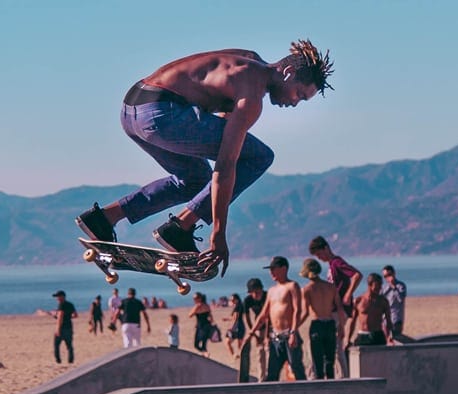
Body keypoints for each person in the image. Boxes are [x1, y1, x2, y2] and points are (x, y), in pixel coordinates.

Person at [75, 40, 334, 276]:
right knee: (259, 157)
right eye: (300, 94)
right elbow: (225, 165)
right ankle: (180, 228)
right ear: (288, 74)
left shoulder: (247, 59)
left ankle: (104, 218)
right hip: (161, 114)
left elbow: (216, 122)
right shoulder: (252, 96)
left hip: (132, 110)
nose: (295, 103)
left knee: (195, 180)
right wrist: (218, 234)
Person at [245, 256, 306, 381]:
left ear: (284, 269)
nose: (271, 272)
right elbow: (263, 315)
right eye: (270, 269)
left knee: (296, 368)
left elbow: (297, 311)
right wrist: (251, 332)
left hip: (289, 335)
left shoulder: (292, 286)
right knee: (272, 372)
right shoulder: (272, 291)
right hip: (275, 338)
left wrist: (293, 332)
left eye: (274, 269)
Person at [308, 235, 362, 377]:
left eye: (319, 254)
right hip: (332, 309)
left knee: (336, 346)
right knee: (332, 345)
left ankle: (343, 376)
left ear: (326, 248)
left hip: (339, 310)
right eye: (317, 256)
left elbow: (357, 275)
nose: (319, 258)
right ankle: (336, 374)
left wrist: (348, 294)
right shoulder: (331, 265)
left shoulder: (337, 262)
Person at [298, 258, 345, 380]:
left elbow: (304, 312)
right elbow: (339, 308)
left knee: (318, 362)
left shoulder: (307, 289)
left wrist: (294, 327)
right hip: (330, 324)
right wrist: (341, 326)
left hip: (317, 324)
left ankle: (321, 389)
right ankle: (330, 386)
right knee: (330, 361)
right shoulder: (331, 287)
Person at [348, 273, 391, 347]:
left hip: (378, 335)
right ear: (370, 285)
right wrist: (348, 339)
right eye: (378, 285)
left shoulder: (383, 301)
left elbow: (388, 321)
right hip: (363, 335)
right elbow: (352, 322)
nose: (380, 287)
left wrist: (389, 336)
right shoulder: (359, 300)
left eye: (381, 285)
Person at [243, 278, 269, 381]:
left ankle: (270, 376)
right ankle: (261, 378)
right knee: (260, 353)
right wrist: (253, 334)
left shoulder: (268, 296)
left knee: (269, 351)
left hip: (270, 326)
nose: (255, 295)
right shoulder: (248, 300)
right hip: (257, 327)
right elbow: (247, 317)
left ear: (261, 289)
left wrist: (267, 335)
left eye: (257, 292)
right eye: (252, 293)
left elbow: (268, 318)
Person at [381, 265, 410, 344]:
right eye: (385, 276)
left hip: (396, 318)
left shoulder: (401, 286)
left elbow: (401, 299)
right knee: (386, 340)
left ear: (394, 274)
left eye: (388, 275)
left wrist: (393, 287)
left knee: (396, 339)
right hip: (385, 318)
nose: (387, 278)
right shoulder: (384, 287)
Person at [52, 290, 78, 364]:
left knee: (56, 345)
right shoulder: (70, 304)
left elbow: (60, 317)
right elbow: (75, 315)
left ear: (62, 297)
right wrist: (68, 317)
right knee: (69, 345)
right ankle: (70, 360)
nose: (57, 298)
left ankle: (58, 360)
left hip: (62, 328)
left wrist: (58, 329)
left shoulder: (61, 305)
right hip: (69, 327)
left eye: (58, 297)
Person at [189, 292, 215, 357]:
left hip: (200, 327)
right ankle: (205, 353)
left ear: (199, 298)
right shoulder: (207, 305)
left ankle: (205, 354)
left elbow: (190, 315)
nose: (194, 300)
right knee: (204, 343)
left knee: (196, 344)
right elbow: (211, 318)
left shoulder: (197, 306)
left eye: (195, 298)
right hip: (207, 325)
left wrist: (195, 309)